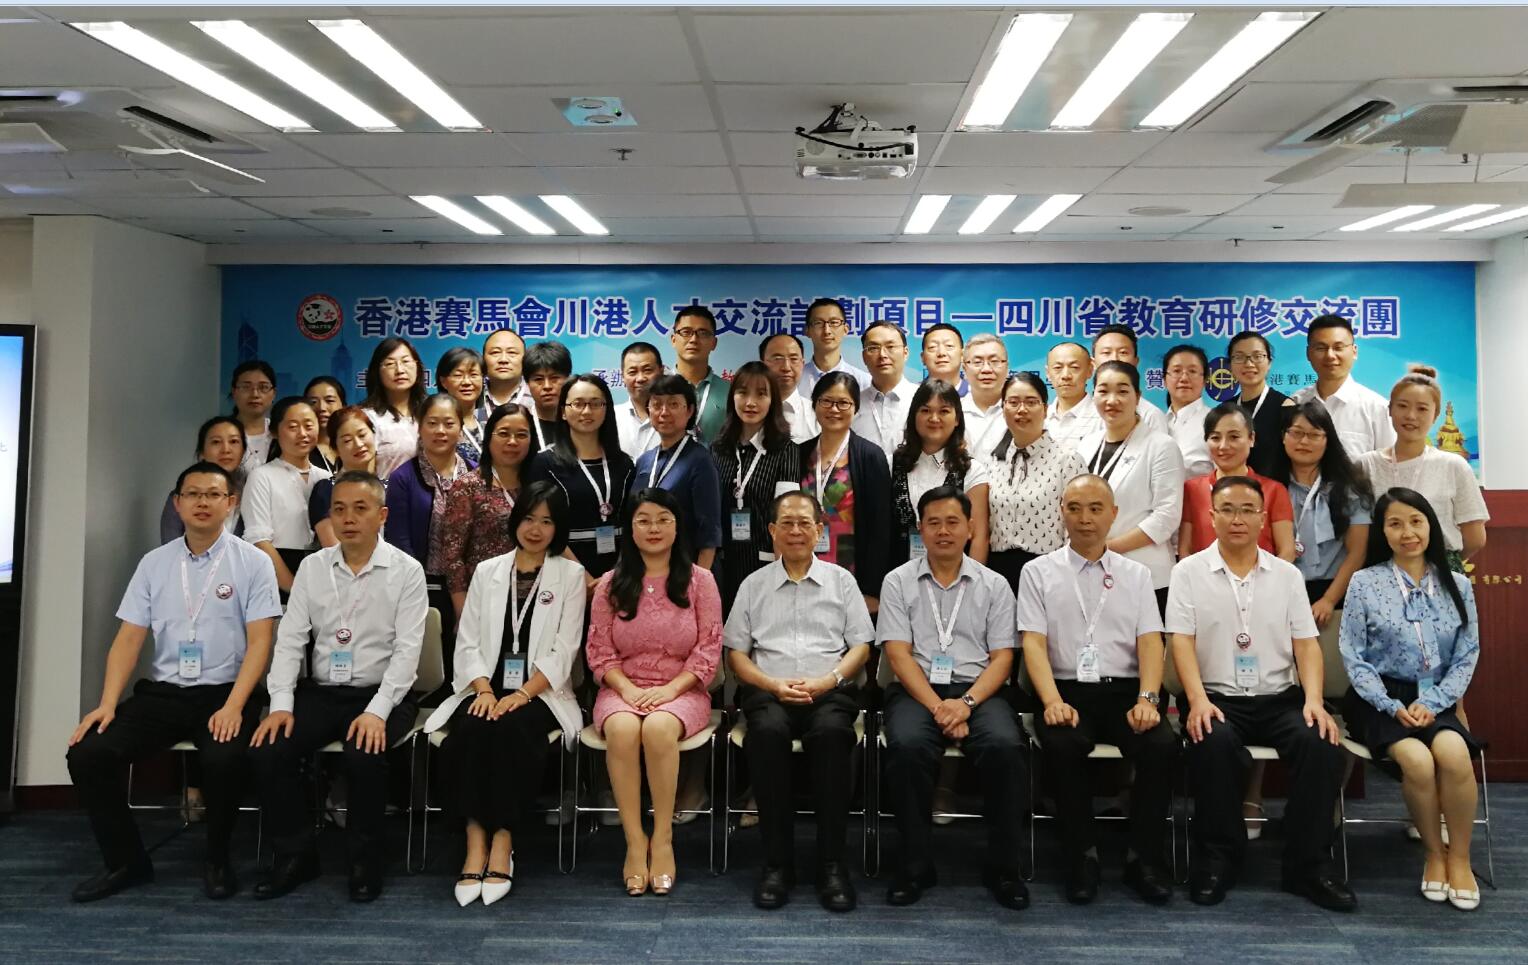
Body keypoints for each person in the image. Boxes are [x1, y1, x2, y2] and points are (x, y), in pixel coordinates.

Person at [67, 462, 280, 902]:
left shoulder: (253, 562)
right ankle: (126, 862)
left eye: (213, 494)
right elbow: (128, 639)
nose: (203, 503)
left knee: (223, 760)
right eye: (193, 494)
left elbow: (261, 642)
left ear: (231, 503)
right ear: (177, 503)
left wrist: (235, 705)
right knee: (88, 753)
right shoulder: (154, 563)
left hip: (225, 693)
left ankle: (217, 859)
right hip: (164, 694)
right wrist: (107, 703)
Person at [1167, 475, 1354, 911]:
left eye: (1247, 510)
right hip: (1217, 697)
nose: (1237, 519)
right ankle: (1218, 860)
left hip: (1280, 696)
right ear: (1211, 516)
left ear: (1263, 518)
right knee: (1211, 741)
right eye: (1227, 510)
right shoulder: (1187, 572)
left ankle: (1309, 866)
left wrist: (1314, 700)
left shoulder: (1286, 575)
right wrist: (1196, 700)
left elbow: (1306, 644)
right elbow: (1181, 642)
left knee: (1321, 743)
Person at [248, 471, 427, 903]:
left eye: (360, 509)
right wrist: (281, 704)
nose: (348, 519)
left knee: (363, 754)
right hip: (324, 691)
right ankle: (295, 855)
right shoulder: (313, 568)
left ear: (382, 515)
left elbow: (407, 653)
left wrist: (377, 711)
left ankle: (364, 860)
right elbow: (290, 641)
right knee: (269, 749)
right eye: (339, 509)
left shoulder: (406, 571)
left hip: (384, 693)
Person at [424, 481, 588, 906]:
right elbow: (467, 640)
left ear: (558, 528)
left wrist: (522, 695)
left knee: (512, 730)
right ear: (515, 521)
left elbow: (565, 649)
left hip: (541, 692)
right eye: (529, 518)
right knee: (470, 730)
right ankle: (474, 839)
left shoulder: (570, 576)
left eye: (547, 521)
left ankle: (502, 839)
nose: (535, 529)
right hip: (484, 686)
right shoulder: (487, 571)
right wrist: (483, 689)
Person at [1018, 474, 1177, 905]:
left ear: (1113, 514)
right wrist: (1051, 701)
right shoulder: (1037, 572)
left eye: (1095, 509)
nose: (1084, 518)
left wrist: (1148, 699)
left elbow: (1151, 641)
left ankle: (1143, 859)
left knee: (1161, 745)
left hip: (1126, 692)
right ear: (1062, 513)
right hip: (1066, 690)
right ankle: (1081, 857)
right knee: (1063, 745)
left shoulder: (1137, 574)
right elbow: (1033, 642)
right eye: (1074, 508)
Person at [877, 486, 1028, 910]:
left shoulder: (994, 584)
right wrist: (938, 706)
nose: (943, 531)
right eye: (933, 523)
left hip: (979, 692)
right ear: (920, 529)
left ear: (971, 528)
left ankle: (1004, 868)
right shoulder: (897, 581)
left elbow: (1003, 659)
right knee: (908, 748)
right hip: (918, 690)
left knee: (1005, 748)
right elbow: (897, 654)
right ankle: (914, 865)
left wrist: (965, 705)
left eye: (952, 522)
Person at [725, 490, 872, 912]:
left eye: (804, 523)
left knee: (832, 735)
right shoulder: (753, 585)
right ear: (772, 531)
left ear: (819, 531)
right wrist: (771, 685)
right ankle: (778, 864)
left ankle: (832, 864)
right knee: (766, 734)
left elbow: (862, 646)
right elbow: (736, 654)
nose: (795, 531)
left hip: (829, 691)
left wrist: (830, 680)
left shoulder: (842, 581)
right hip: (768, 690)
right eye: (786, 523)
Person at [1340, 487, 1482, 911]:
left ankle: (1460, 859)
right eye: (1395, 524)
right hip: (1378, 699)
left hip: (1434, 697)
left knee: (1454, 753)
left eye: (1416, 522)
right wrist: (1391, 705)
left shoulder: (1457, 584)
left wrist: (1435, 701)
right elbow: (1353, 655)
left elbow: (1467, 654)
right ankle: (1433, 855)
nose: (1408, 533)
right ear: (1383, 532)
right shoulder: (1364, 583)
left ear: (1430, 526)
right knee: (1418, 761)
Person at [586, 488, 723, 896]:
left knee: (659, 728)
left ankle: (662, 838)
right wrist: (627, 689)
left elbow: (709, 648)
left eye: (664, 519)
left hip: (683, 689)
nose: (654, 528)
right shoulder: (610, 584)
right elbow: (599, 651)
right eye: (643, 520)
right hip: (622, 687)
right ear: (630, 528)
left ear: (677, 526)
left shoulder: (701, 581)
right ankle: (634, 841)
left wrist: (670, 690)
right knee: (624, 730)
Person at [1355, 366, 1488, 570]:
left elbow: (1475, 538)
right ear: (1390, 410)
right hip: (1381, 571)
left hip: (1440, 569)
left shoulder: (1454, 466)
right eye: (1402, 406)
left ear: (1435, 415)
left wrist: (1440, 563)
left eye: (1422, 409)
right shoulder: (1366, 465)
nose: (1411, 415)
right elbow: (1356, 533)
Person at [1076, 362, 1185, 610]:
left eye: (1123, 391)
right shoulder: (1086, 445)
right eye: (1103, 391)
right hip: (1090, 571)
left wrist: (1105, 549)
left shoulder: (1161, 446)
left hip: (1144, 572)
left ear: (1138, 396)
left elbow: (1166, 517)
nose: (1112, 400)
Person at [1269, 401, 1374, 629]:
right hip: (1282, 592)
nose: (1304, 441)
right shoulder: (1270, 488)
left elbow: (1358, 552)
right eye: (1296, 433)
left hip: (1337, 593)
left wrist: (1329, 599)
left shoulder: (1350, 488)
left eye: (1314, 435)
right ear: (1283, 436)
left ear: (1328, 440)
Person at [524, 374, 636, 585]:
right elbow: (541, 525)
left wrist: (615, 576)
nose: (587, 411)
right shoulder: (545, 463)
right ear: (563, 411)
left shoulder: (624, 464)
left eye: (596, 404)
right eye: (578, 404)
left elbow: (632, 522)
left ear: (606, 409)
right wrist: (583, 578)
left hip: (619, 575)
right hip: (563, 570)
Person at [710, 361, 802, 610]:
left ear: (773, 401)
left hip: (766, 563)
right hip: (723, 565)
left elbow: (786, 517)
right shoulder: (718, 450)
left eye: (761, 394)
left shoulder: (786, 450)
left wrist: (784, 575)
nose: (750, 402)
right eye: (742, 392)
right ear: (732, 397)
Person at [983, 373, 1086, 592]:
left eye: (1031, 402)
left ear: (1045, 409)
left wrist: (1070, 576)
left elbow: (1078, 527)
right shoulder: (993, 460)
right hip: (998, 572)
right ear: (1003, 408)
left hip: (1049, 572)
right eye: (1013, 402)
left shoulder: (1067, 460)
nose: (1022, 410)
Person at [800, 371, 893, 615]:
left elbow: (881, 527)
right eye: (826, 401)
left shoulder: (870, 456)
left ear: (855, 409)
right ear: (815, 404)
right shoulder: (799, 454)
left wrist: (872, 590)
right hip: (804, 569)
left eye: (843, 403)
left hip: (852, 575)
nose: (834, 409)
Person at [440, 403, 534, 615]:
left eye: (521, 435)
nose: (512, 441)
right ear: (489, 437)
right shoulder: (468, 486)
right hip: (483, 597)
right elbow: (452, 556)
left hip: (535, 594)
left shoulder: (537, 485)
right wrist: (462, 609)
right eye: (504, 433)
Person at [889, 379, 990, 568]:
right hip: (898, 574)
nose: (934, 418)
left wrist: (972, 581)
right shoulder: (891, 464)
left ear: (957, 419)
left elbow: (979, 537)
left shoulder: (971, 470)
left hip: (955, 575)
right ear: (914, 416)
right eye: (925, 410)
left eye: (944, 411)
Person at [630, 374, 723, 570]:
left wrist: (701, 580)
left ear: (689, 410)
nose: (664, 412)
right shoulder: (644, 461)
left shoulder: (700, 460)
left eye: (673, 404)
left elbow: (709, 530)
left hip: (687, 568)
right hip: (646, 568)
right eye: (656, 405)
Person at [1179, 404, 1296, 559]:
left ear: (1251, 438)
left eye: (1234, 437)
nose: (1223, 446)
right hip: (1203, 574)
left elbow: (1287, 551)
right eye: (1215, 438)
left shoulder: (1274, 490)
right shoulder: (1192, 489)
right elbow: (1185, 550)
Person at [243, 396, 330, 595]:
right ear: (274, 432)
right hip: (276, 577)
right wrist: (294, 588)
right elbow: (259, 540)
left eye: (309, 425)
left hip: (322, 577)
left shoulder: (326, 477)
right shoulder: (261, 476)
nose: (302, 433)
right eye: (292, 427)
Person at [385, 393, 473, 573]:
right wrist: (415, 579)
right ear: (419, 428)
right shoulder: (402, 478)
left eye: (449, 424)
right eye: (432, 423)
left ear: (461, 429)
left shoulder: (476, 473)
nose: (440, 431)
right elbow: (398, 539)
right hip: (417, 579)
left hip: (471, 579)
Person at [1292, 314, 1396, 456]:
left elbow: (1391, 463)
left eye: (1338, 347)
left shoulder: (1378, 409)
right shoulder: (1296, 402)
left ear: (1354, 351)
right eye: (1321, 348)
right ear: (1308, 353)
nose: (1330, 355)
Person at [161, 416, 246, 544]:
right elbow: (170, 546)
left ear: (243, 450)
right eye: (216, 442)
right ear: (202, 452)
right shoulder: (183, 496)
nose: (226, 449)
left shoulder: (254, 492)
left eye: (234, 441)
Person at [1225, 331, 1296, 475]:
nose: (1249, 364)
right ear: (1230, 365)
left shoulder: (1286, 407)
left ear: (1269, 363)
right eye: (1239, 357)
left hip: (1275, 487)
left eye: (1257, 356)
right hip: (1231, 486)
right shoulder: (1225, 409)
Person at [310, 406, 378, 548]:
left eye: (362, 435)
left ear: (374, 435)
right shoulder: (327, 490)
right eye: (347, 440)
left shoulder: (390, 486)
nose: (358, 444)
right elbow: (333, 548)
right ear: (336, 449)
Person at [360, 337, 427, 479]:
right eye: (390, 364)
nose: (400, 370)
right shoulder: (367, 418)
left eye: (406, 361)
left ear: (417, 367)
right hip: (385, 492)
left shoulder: (430, 412)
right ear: (377, 371)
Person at [852, 321, 918, 463]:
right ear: (864, 357)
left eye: (891, 346)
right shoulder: (852, 405)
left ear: (905, 353)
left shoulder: (923, 400)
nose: (882, 354)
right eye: (873, 348)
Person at [1091, 324, 1169, 435]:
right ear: (1093, 363)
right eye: (1106, 353)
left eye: (1123, 352)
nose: (1115, 358)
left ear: (1135, 362)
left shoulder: (1151, 415)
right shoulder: (1080, 413)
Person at [670, 306, 730, 443]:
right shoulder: (657, 390)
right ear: (673, 340)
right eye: (686, 332)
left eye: (703, 333)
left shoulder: (730, 391)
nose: (693, 339)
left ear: (714, 343)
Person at [1162, 344, 1212, 479]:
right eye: (1176, 371)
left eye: (1192, 371)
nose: (1184, 378)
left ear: (1205, 380)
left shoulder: (1215, 421)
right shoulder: (1156, 422)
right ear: (1164, 380)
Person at [760, 332, 819, 444]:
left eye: (794, 359)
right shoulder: (747, 410)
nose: (786, 367)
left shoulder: (817, 415)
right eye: (777, 359)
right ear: (762, 365)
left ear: (802, 364)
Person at [1043, 341, 1099, 454]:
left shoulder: (1102, 416)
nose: (1065, 376)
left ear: (1090, 371)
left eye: (1074, 367)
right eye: (1057, 367)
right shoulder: (1040, 417)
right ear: (1048, 373)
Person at [802, 297, 870, 390]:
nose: (827, 331)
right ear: (807, 331)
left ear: (845, 329)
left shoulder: (864, 382)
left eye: (834, 322)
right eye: (818, 323)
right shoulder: (794, 380)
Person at [436, 346, 486, 464]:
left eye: (473, 375)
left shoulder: (488, 422)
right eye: (458, 375)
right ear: (443, 382)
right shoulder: (436, 425)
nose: (467, 382)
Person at [961, 334, 1009, 455]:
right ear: (964, 369)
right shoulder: (953, 413)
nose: (986, 369)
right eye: (977, 362)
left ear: (1007, 368)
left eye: (994, 361)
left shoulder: (1021, 412)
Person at [614, 341, 663, 460]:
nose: (640, 378)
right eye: (632, 372)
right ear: (622, 376)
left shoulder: (673, 417)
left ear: (661, 372)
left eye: (647, 370)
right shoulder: (611, 415)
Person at [523, 340, 573, 453]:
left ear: (568, 379)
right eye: (538, 379)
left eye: (554, 378)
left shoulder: (580, 421)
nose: (547, 386)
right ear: (527, 383)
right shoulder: (520, 424)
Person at [476, 328, 533, 422]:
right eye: (495, 352)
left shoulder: (538, 396)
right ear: (483, 359)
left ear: (525, 359)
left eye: (512, 353)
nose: (503, 359)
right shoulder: (471, 395)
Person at [229, 360, 276, 472]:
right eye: (246, 387)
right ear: (234, 392)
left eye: (263, 387)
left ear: (274, 393)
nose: (255, 394)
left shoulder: (280, 433)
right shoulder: (220, 432)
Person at [304, 376, 347, 474]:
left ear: (343, 406)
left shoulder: (353, 446)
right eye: (313, 402)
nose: (321, 408)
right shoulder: (301, 450)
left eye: (329, 401)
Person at [919, 323, 967, 396]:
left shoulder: (979, 394)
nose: (941, 353)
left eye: (949, 346)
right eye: (932, 347)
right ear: (923, 358)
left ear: (962, 355)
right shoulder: (910, 394)